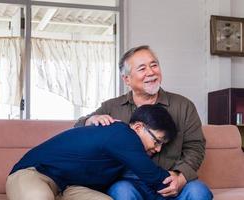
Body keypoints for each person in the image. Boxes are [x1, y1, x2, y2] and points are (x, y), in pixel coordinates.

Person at [74, 45, 213, 200]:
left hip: (169, 181)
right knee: (122, 192)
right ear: (126, 79)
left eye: (154, 65)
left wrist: (181, 177)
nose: (151, 72)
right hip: (129, 183)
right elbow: (78, 129)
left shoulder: (183, 106)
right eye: (142, 68)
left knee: (198, 191)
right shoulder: (111, 107)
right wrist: (90, 120)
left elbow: (195, 147)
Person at [6, 105, 177, 200]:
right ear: (138, 127)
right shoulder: (123, 134)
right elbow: (157, 179)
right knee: (39, 198)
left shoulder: (123, 150)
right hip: (34, 174)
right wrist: (175, 179)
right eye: (157, 141)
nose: (158, 149)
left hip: (67, 188)